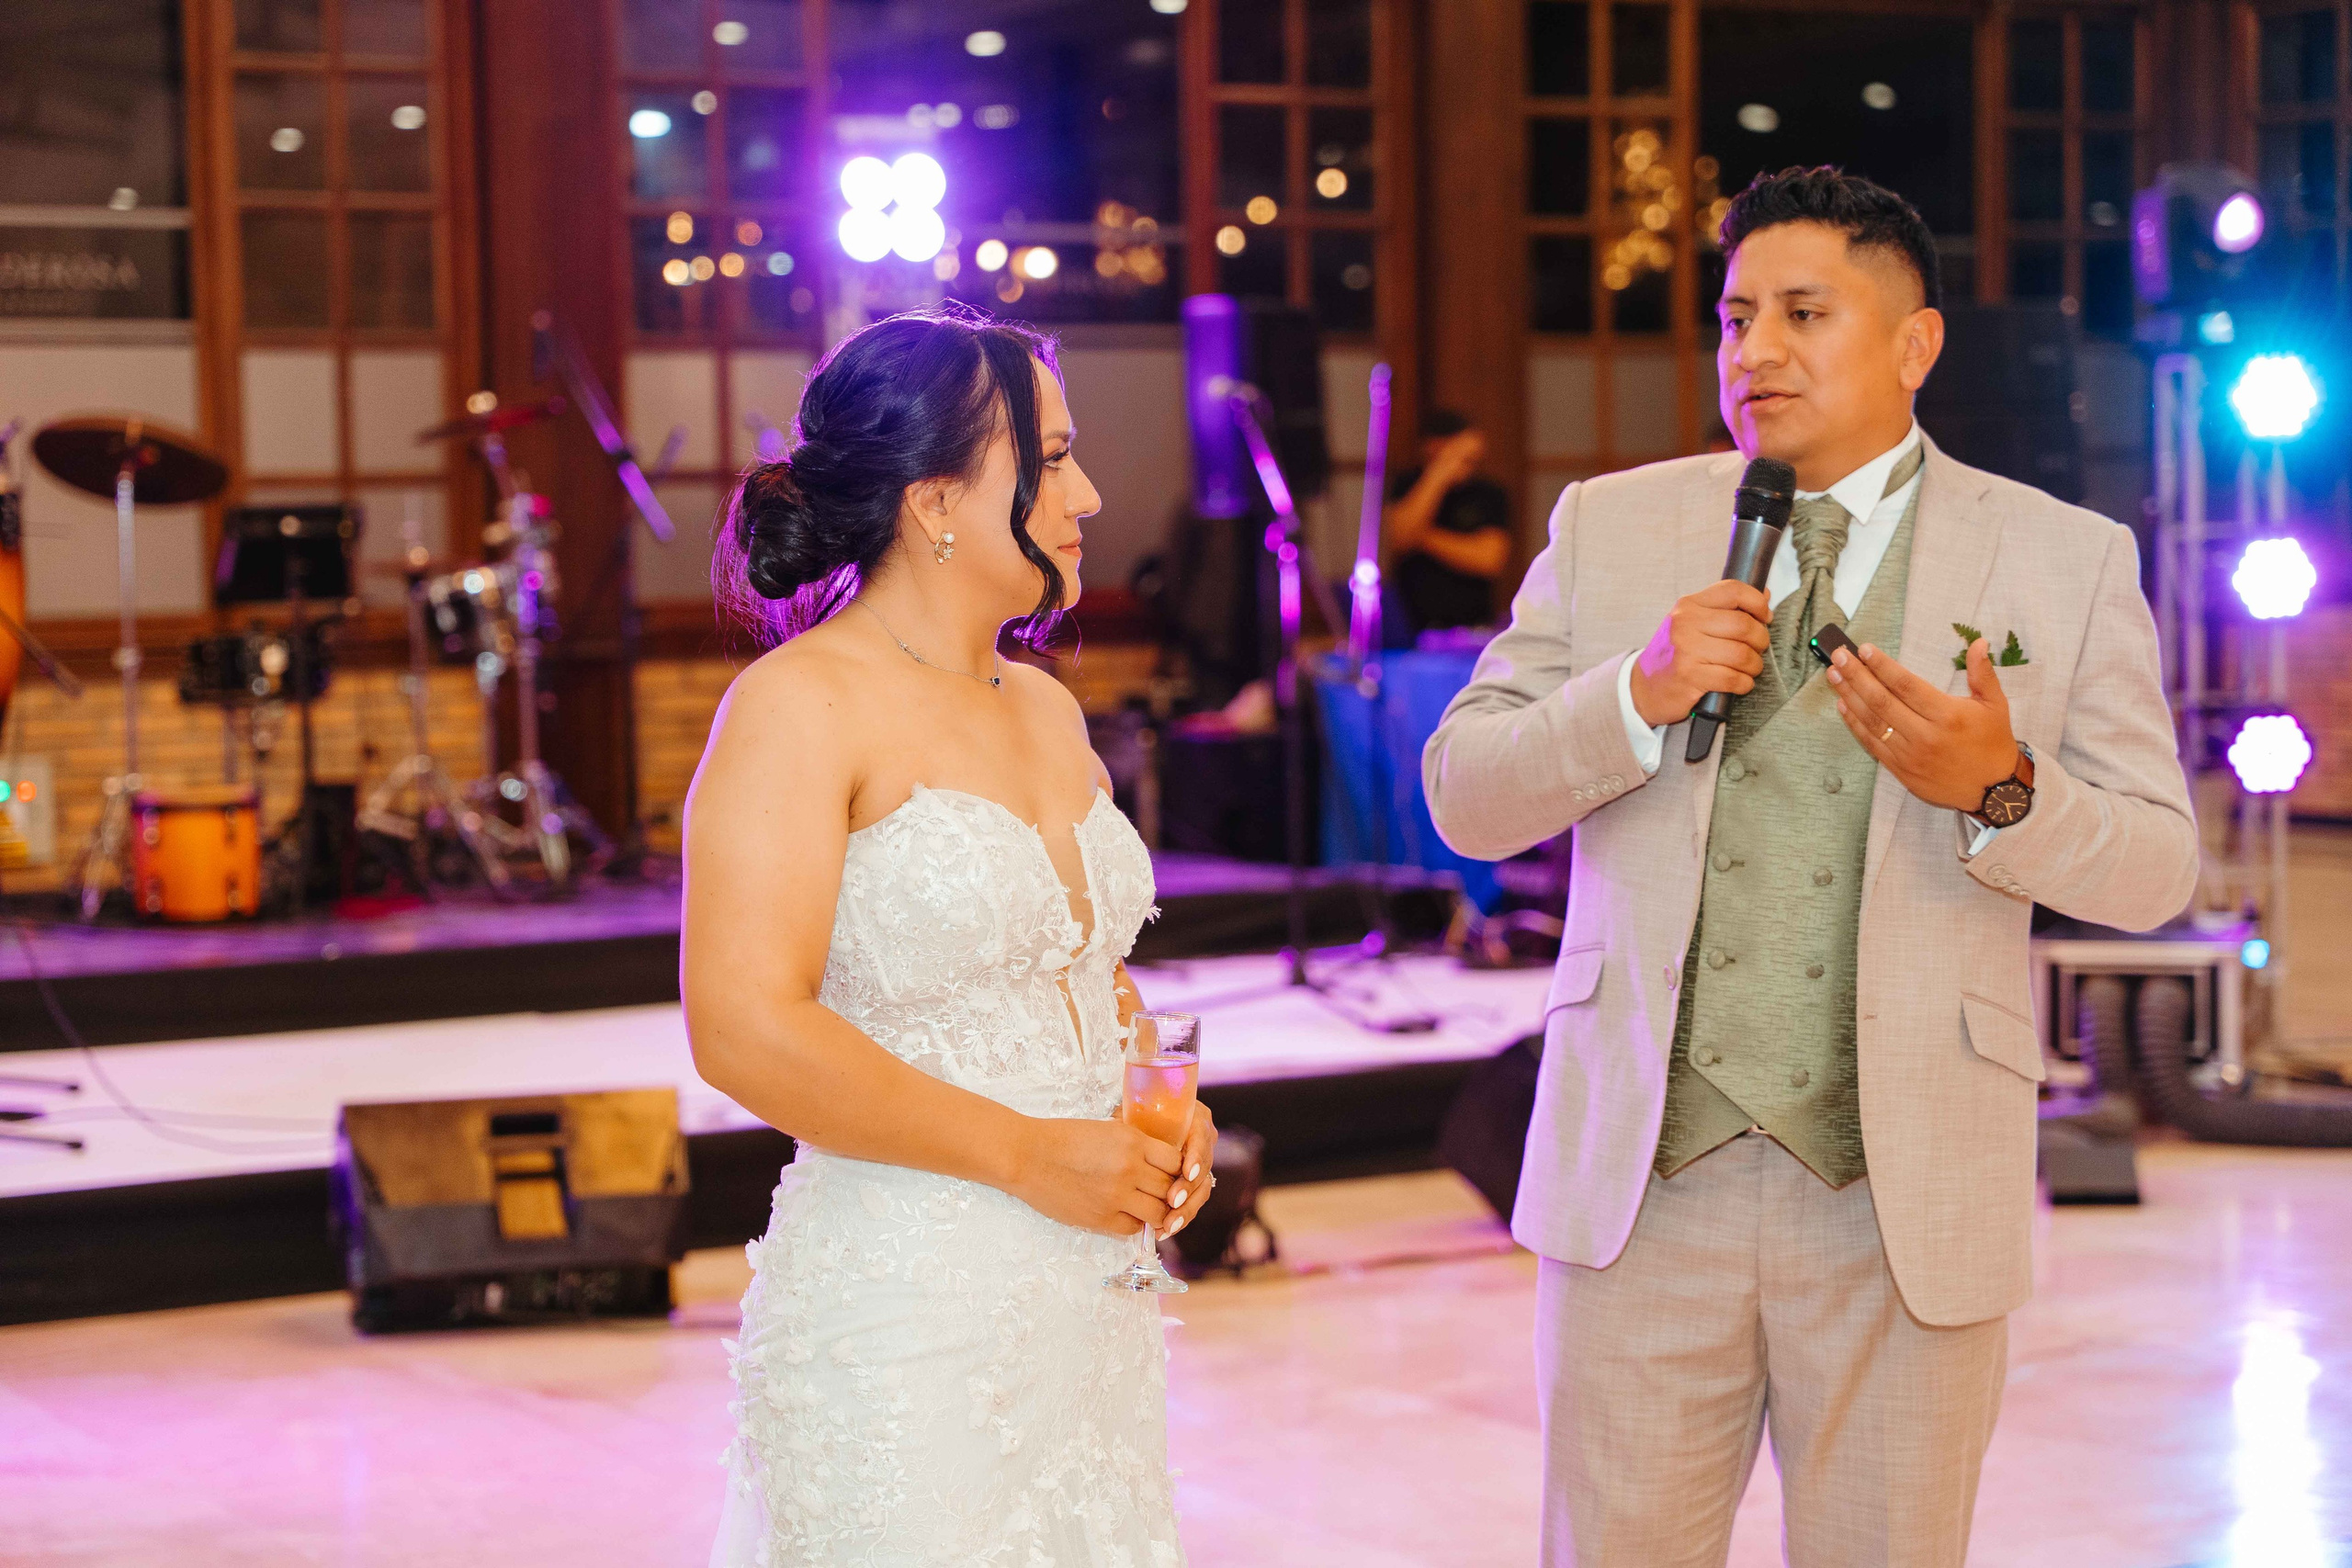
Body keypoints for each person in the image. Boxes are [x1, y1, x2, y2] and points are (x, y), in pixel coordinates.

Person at [1423, 167, 2196, 1566]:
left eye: (1800, 312)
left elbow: (2155, 866)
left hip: (1905, 1198)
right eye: (1732, 317)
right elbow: (1464, 795)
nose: (1753, 352)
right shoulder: (1612, 523)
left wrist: (2002, 790)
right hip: (1646, 1190)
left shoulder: (2065, 559)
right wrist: (1632, 695)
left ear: (1915, 344)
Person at [683, 303, 1212, 1567]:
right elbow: (743, 1025)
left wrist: (1156, 1103)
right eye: (1055, 457)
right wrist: (1027, 1151)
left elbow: (1077, 963)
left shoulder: (1042, 703)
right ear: (936, 500)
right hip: (905, 1312)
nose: (1088, 489)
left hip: (1084, 1312)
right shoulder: (798, 704)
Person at [1386, 408, 1512, 634]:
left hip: (1472, 627)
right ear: (1433, 448)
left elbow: (1489, 559)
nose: (1468, 465)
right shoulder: (1405, 485)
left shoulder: (1489, 493)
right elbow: (1398, 538)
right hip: (1410, 624)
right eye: (1460, 456)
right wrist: (1437, 477)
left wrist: (1421, 535)